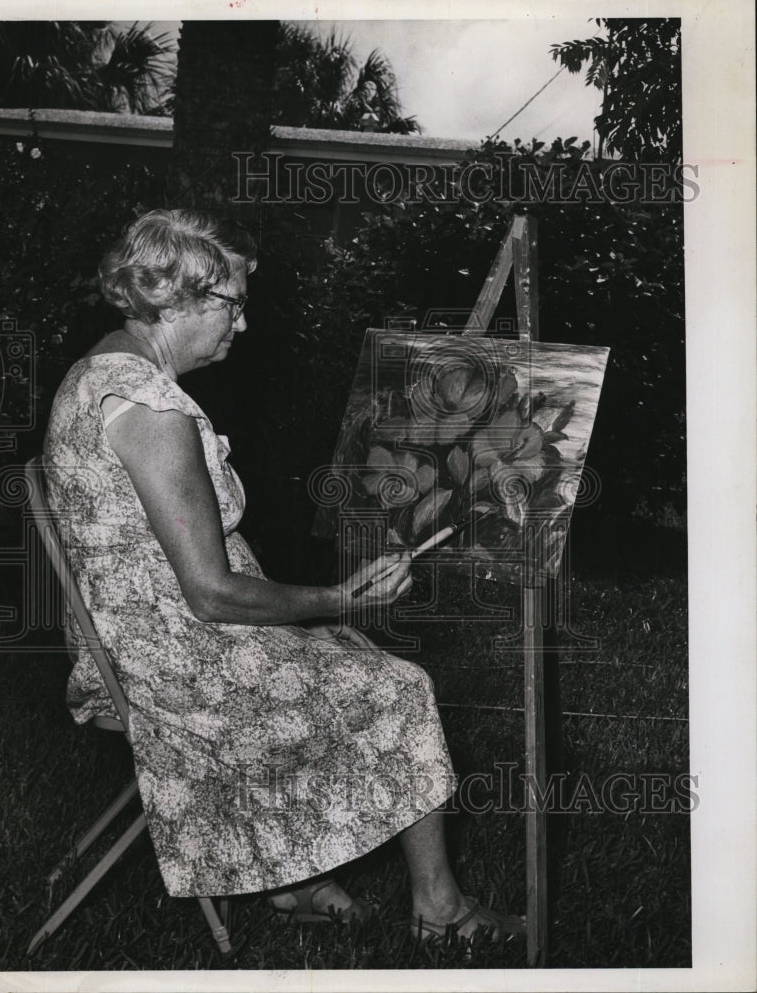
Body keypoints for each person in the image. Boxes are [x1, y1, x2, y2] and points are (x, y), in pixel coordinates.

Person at [43, 209, 523, 947]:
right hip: (170, 664)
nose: (242, 323)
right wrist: (335, 599)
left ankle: (296, 884)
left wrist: (325, 612)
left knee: (348, 652)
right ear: (177, 299)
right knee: (398, 687)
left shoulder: (99, 370)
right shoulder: (150, 410)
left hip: (134, 641)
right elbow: (210, 592)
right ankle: (442, 912)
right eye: (233, 303)